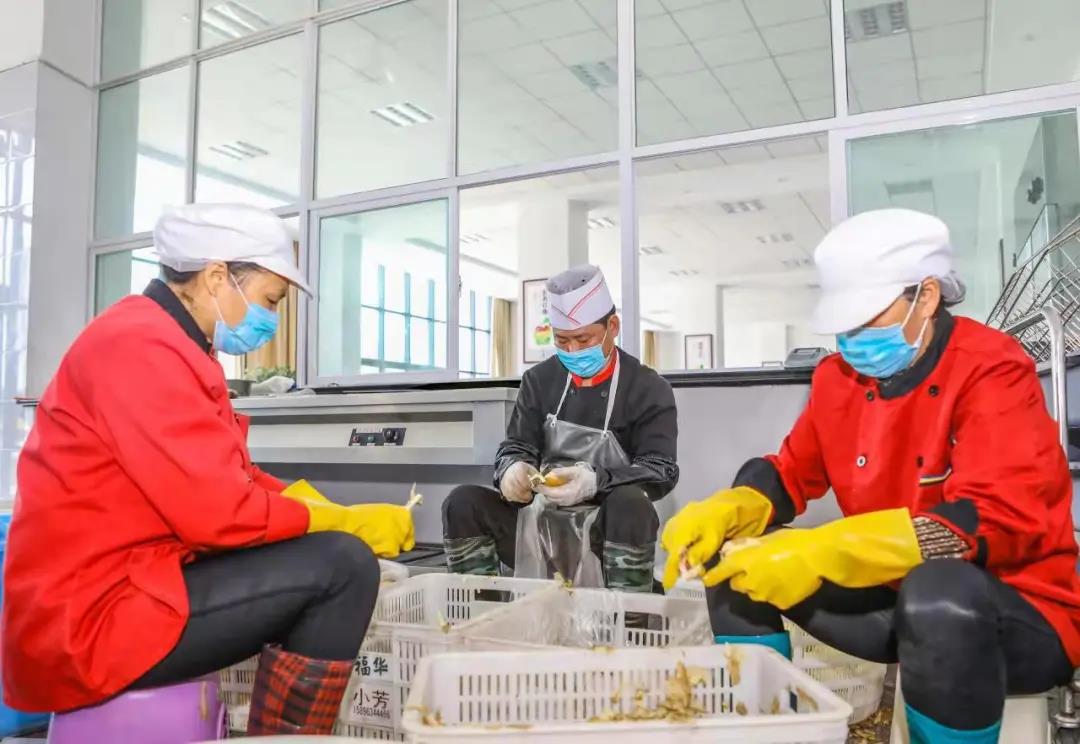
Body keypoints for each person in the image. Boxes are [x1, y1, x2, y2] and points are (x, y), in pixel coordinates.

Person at [662, 208, 1080, 744]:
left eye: (866, 318)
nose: (851, 339)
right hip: (893, 598)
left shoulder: (991, 369)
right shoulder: (837, 379)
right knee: (733, 557)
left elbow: (995, 520)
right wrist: (732, 507)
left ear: (925, 297)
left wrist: (825, 552)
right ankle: (764, 727)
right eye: (844, 324)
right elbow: (792, 472)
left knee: (937, 592)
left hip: (1014, 610)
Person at [2, 203, 415, 735]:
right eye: (270, 300)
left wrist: (319, 506)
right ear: (218, 277)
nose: (271, 319)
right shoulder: (139, 347)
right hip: (91, 620)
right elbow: (220, 513)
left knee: (328, 553)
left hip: (128, 585)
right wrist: (338, 522)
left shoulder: (168, 342)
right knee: (343, 567)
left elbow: (229, 475)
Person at [442, 265, 678, 594]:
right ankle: (481, 611)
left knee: (630, 504)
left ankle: (628, 617)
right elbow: (517, 445)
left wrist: (595, 481)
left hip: (608, 535)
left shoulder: (647, 388)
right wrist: (511, 469)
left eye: (584, 339)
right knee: (462, 503)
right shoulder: (539, 381)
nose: (572, 351)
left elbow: (660, 469)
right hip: (539, 530)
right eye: (562, 340)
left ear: (612, 327)